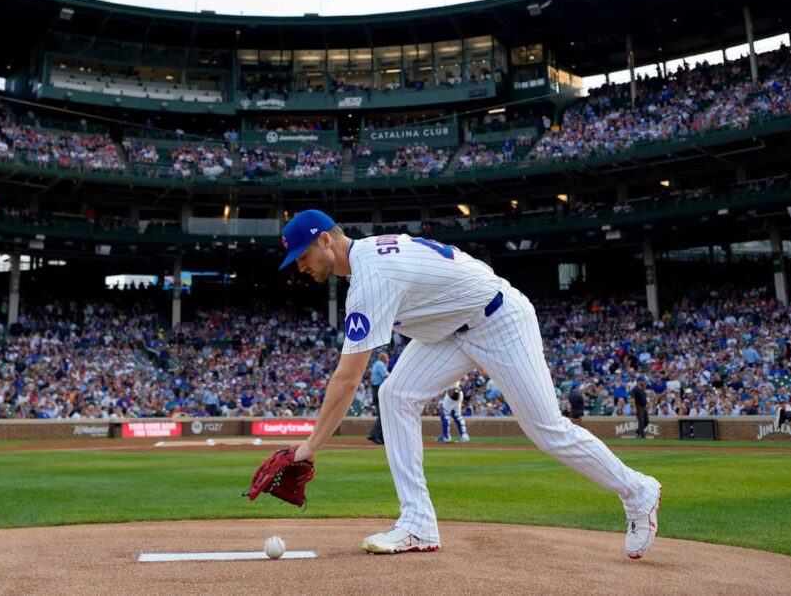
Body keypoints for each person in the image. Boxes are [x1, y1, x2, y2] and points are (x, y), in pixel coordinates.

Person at [274, 210, 661, 559]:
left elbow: (348, 376)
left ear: (325, 239)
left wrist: (310, 447)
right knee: (395, 395)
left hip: (499, 320)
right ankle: (418, 524)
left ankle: (637, 491)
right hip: (450, 330)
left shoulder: (371, 277)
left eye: (303, 256)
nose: (301, 267)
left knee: (548, 430)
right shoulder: (369, 259)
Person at [366, 351, 389, 444]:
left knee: (383, 414)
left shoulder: (377, 364)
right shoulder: (380, 365)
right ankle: (375, 435)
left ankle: (381, 437)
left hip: (376, 390)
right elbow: (386, 375)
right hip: (378, 389)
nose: (388, 359)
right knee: (383, 415)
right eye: (387, 357)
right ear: (383, 358)